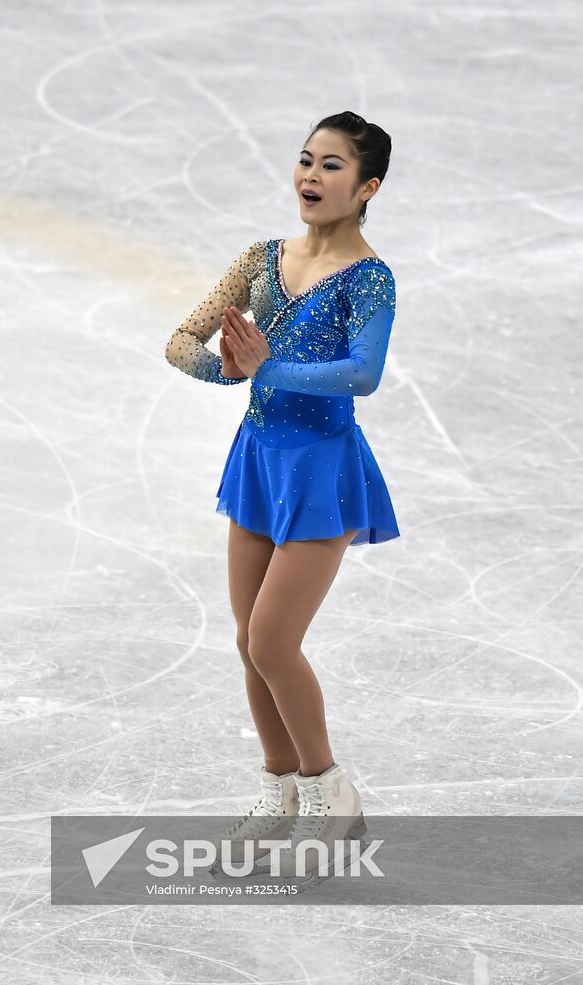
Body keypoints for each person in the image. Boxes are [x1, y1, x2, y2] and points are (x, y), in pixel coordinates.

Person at [165, 111, 399, 877]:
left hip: (321, 470)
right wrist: (226, 372)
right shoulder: (260, 260)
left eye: (332, 166)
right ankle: (280, 790)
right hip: (260, 462)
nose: (311, 175)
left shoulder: (370, 279)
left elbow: (360, 375)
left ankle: (331, 791)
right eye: (305, 160)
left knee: (272, 641)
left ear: (366, 187)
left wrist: (266, 368)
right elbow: (180, 341)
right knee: (247, 642)